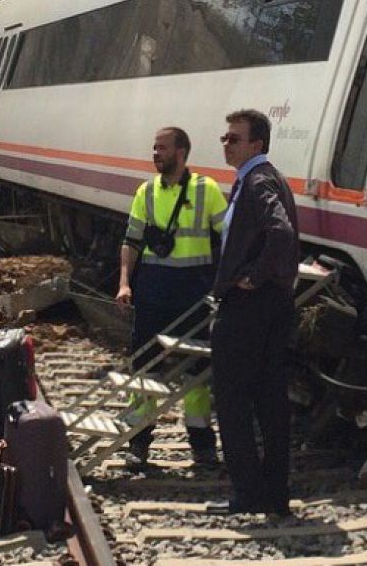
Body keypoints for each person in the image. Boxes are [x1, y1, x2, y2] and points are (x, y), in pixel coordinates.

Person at [115, 127, 229, 469]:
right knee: (145, 367)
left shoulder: (206, 190)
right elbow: (131, 241)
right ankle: (138, 443)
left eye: (161, 148)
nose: (155, 154)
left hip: (193, 293)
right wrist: (124, 283)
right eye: (154, 148)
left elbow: (229, 236)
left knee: (196, 373)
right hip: (153, 290)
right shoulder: (146, 192)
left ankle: (202, 445)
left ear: (181, 152)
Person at [208, 109, 300, 517]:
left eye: (233, 138)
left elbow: (281, 233)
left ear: (255, 144)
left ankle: (247, 492)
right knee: (270, 399)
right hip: (273, 305)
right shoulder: (267, 177)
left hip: (249, 308)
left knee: (231, 399)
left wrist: (253, 276)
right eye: (225, 138)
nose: (225, 144)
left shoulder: (258, 180)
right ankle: (275, 495)